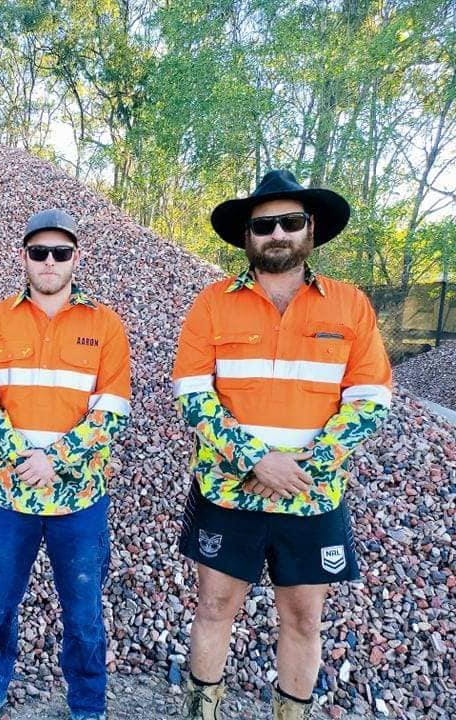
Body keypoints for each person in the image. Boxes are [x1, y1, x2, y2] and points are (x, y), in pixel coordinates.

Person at [172, 170, 393, 720]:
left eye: (289, 222)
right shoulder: (213, 305)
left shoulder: (350, 306)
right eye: (264, 224)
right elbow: (194, 396)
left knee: (303, 618)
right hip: (228, 493)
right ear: (247, 236)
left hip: (312, 496)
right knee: (215, 608)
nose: (277, 234)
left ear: (310, 230)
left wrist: (303, 466)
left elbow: (370, 400)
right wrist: (255, 459)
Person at [0, 208, 132, 720]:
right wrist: (23, 460)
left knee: (84, 611)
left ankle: (87, 703)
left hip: (79, 500)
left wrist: (56, 460)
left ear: (77, 258)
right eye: (39, 252)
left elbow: (112, 409)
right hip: (8, 496)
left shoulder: (105, 325)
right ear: (24, 258)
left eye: (60, 253)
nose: (49, 262)